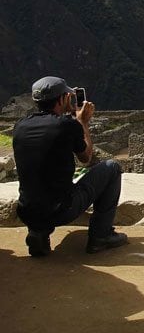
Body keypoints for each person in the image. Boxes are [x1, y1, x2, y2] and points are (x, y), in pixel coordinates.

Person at [13, 76, 128, 256]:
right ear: (63, 99)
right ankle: (101, 236)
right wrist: (82, 122)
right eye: (67, 95)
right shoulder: (66, 125)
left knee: (41, 184)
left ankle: (38, 233)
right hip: (61, 210)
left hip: (26, 211)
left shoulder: (20, 126)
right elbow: (86, 158)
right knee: (111, 167)